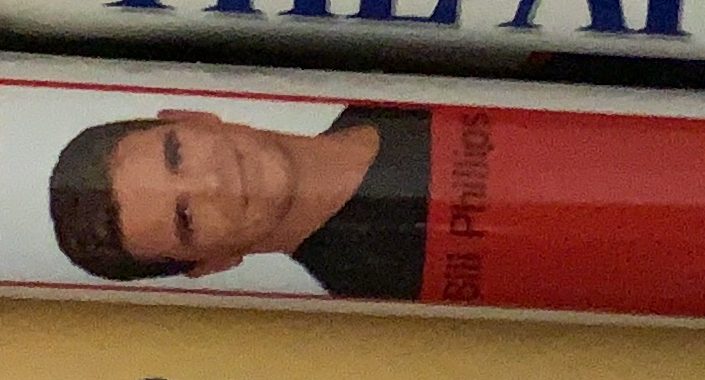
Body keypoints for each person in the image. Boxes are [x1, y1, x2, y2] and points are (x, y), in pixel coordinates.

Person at [46, 104, 432, 295]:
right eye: (186, 218)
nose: (214, 183)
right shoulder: (388, 287)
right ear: (213, 264)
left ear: (192, 116)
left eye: (176, 155)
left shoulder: (393, 94)